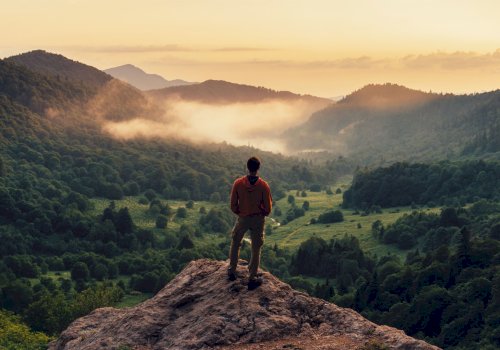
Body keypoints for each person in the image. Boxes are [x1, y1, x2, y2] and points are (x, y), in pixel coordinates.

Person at [228, 156, 272, 288]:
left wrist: (241, 213)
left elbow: (233, 205)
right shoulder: (264, 185)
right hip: (258, 219)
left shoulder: (238, 183)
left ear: (247, 167)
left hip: (243, 218)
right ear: (258, 168)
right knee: (256, 247)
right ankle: (252, 277)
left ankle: (232, 270)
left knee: (236, 242)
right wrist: (261, 213)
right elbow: (268, 208)